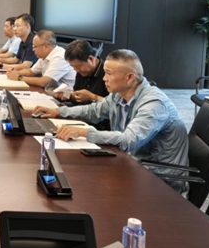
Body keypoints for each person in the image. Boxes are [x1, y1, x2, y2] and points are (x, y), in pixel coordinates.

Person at [34, 49, 189, 195]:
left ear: (129, 77)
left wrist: (83, 132)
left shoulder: (154, 104)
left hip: (159, 180)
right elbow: (93, 111)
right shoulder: (118, 95)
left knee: (87, 187)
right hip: (131, 164)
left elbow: (128, 140)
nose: (104, 78)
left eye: (108, 73)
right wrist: (60, 112)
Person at [10, 30, 75, 88]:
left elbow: (43, 82)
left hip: (65, 96)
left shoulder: (60, 57)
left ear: (46, 46)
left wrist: (19, 77)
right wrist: (16, 73)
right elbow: (31, 72)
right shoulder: (43, 56)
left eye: (35, 46)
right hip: (51, 92)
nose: (33, 49)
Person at [56, 40, 109, 104]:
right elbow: (79, 100)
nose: (76, 70)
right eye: (73, 66)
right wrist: (68, 96)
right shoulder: (81, 72)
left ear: (91, 59)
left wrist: (92, 97)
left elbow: (114, 105)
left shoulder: (108, 73)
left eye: (78, 66)